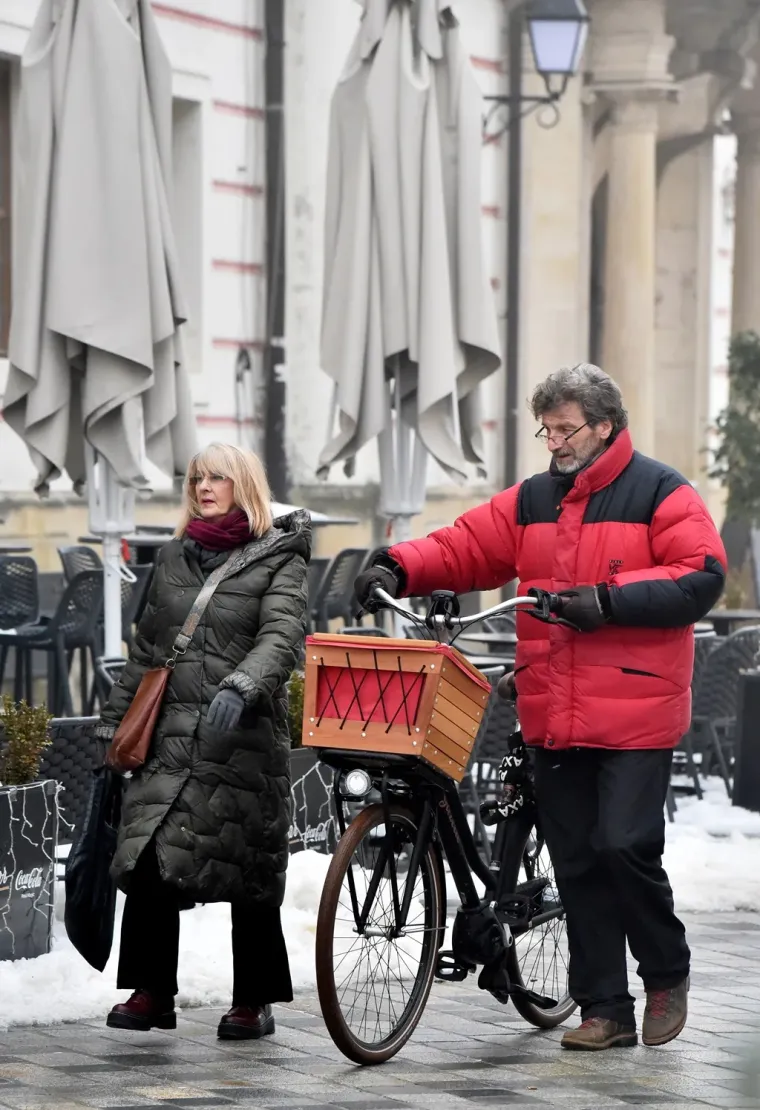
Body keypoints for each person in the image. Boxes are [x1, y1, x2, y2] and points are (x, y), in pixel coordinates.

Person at [354, 364, 726, 1052]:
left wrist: (608, 600)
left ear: (605, 425)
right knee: (578, 857)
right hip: (554, 705)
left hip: (636, 707)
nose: (552, 442)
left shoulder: (661, 491)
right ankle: (604, 1009)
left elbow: (701, 576)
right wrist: (397, 565)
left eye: (565, 429)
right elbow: (464, 546)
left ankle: (666, 973)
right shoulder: (533, 500)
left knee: (623, 846)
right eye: (546, 429)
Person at [96, 443, 310, 1040]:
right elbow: (147, 650)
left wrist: (243, 686)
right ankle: (151, 991)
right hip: (169, 732)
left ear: (244, 485)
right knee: (149, 854)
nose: (204, 486)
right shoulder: (171, 557)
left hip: (240, 738)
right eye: (196, 478)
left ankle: (254, 1000)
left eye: (218, 477)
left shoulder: (281, 556)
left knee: (248, 865)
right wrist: (113, 728)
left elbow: (282, 635)